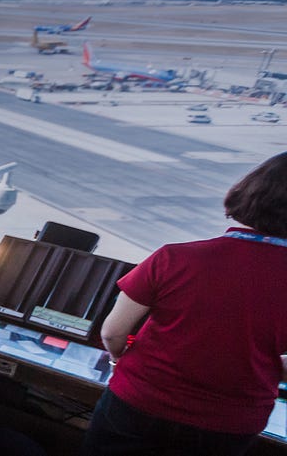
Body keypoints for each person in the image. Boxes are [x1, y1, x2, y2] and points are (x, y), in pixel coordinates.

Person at [83, 152, 287, 456]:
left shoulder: (173, 257)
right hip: (228, 424)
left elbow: (113, 332)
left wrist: (118, 360)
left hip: (139, 401)